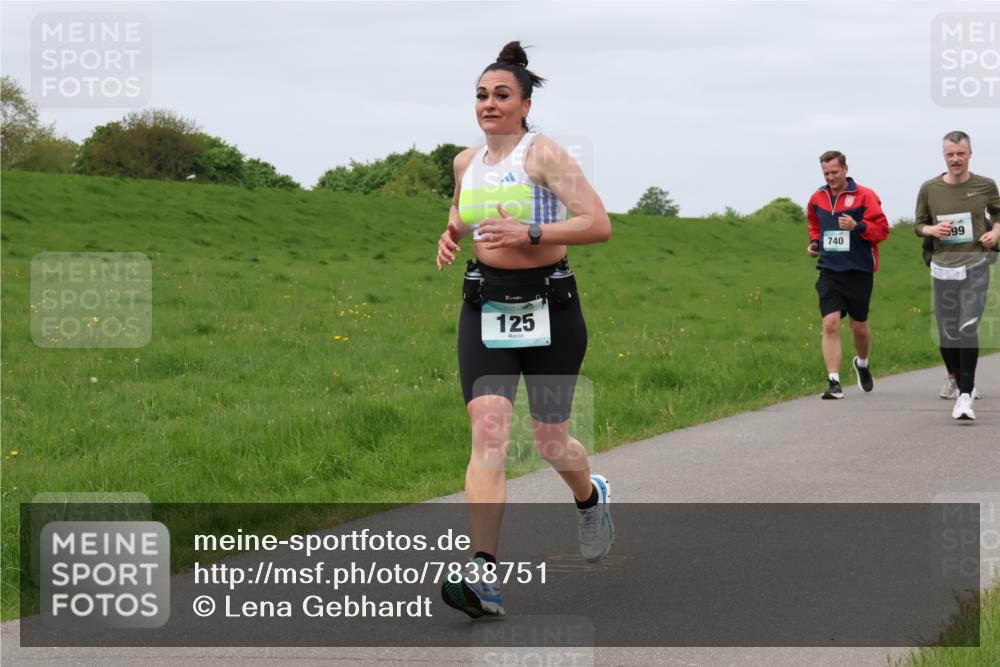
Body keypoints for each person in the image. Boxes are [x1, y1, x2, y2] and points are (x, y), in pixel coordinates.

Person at [435, 41, 614, 618]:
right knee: (488, 428)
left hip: (551, 307)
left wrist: (531, 236)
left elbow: (598, 223)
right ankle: (484, 574)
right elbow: (464, 211)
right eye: (482, 95)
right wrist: (452, 235)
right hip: (485, 306)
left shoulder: (543, 155)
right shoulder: (467, 162)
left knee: (547, 438)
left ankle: (590, 497)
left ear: (525, 104)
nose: (489, 104)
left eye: (501, 95)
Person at [914, 131, 1000, 420]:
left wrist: (994, 232)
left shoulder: (986, 185)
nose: (955, 159)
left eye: (960, 154)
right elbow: (918, 224)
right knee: (948, 333)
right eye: (950, 154)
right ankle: (956, 377)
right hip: (943, 268)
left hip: (976, 264)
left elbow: (998, 214)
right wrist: (931, 231)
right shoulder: (930, 188)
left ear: (970, 154)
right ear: (944, 156)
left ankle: (965, 396)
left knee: (967, 327)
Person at [806, 151, 890, 399]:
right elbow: (815, 226)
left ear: (845, 169)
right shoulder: (817, 198)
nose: (831, 177)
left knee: (859, 326)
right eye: (826, 173)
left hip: (859, 270)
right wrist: (813, 244)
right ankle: (834, 382)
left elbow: (882, 230)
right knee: (830, 323)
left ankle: (862, 363)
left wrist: (858, 226)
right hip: (830, 270)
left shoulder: (865, 196)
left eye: (835, 172)